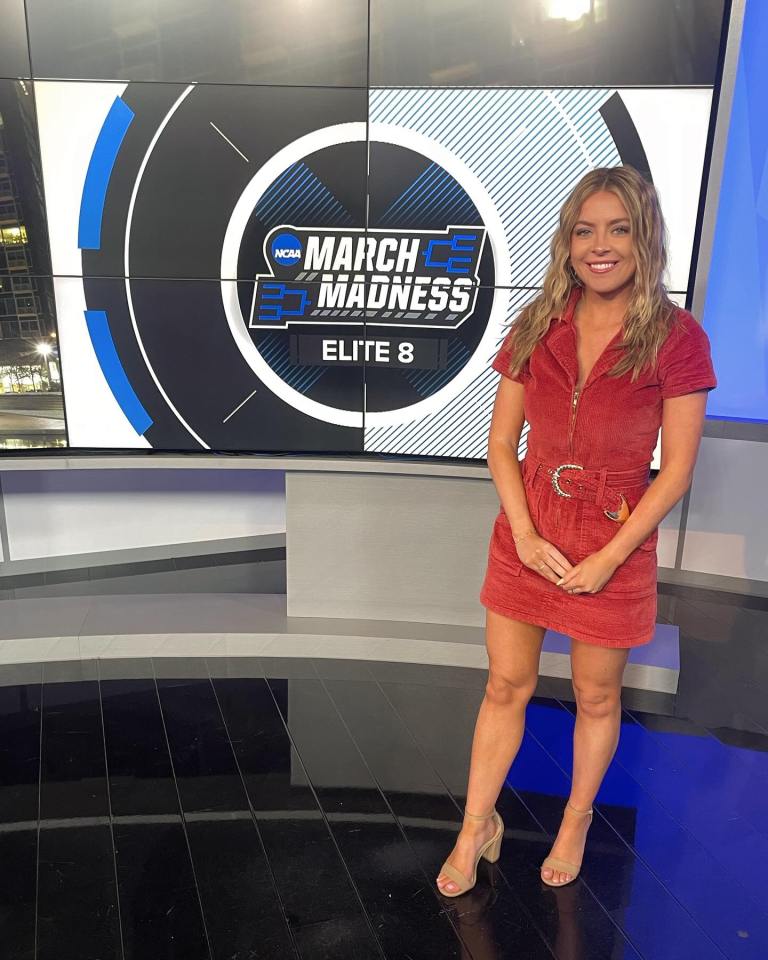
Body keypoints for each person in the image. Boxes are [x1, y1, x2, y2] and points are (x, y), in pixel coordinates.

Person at [435, 165, 717, 897]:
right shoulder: (535, 325)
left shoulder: (678, 338)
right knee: (505, 683)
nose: (600, 246)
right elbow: (501, 444)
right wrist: (525, 536)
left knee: (595, 697)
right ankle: (477, 825)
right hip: (529, 527)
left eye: (618, 229)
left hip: (614, 537)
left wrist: (611, 558)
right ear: (567, 242)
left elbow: (677, 469)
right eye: (585, 230)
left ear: (643, 237)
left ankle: (577, 819)